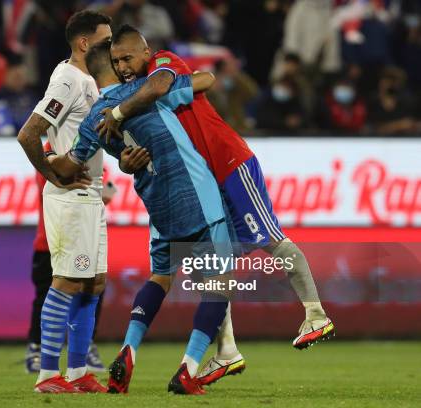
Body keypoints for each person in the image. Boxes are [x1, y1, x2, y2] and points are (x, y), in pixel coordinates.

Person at [99, 24, 334, 386]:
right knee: (213, 270)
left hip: (229, 162)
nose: (123, 66)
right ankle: (226, 351)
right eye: (116, 61)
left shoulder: (162, 66)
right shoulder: (137, 96)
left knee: (269, 238)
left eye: (127, 57)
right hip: (204, 182)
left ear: (146, 53)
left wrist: (115, 114)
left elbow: (177, 83)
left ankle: (315, 312)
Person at [48, 39, 234, 395]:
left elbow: (69, 167)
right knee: (220, 284)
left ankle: (128, 349)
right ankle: (189, 368)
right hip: (196, 195)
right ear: (115, 66)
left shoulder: (92, 121)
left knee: (160, 278)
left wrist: (44, 157)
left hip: (157, 204)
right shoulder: (149, 91)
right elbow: (206, 80)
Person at [16, 10, 112, 394]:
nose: (110, 48)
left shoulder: (89, 81)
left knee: (93, 283)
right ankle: (47, 375)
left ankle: (77, 372)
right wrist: (54, 174)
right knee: (68, 282)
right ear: (84, 43)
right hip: (70, 198)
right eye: (105, 42)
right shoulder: (69, 80)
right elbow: (29, 134)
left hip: (91, 194)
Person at [24, 143, 116, 374]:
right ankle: (38, 352)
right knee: (50, 292)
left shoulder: (89, 147)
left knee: (94, 286)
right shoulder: (50, 151)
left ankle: (82, 354)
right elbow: (58, 184)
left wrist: (103, 195)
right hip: (52, 238)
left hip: (82, 230)